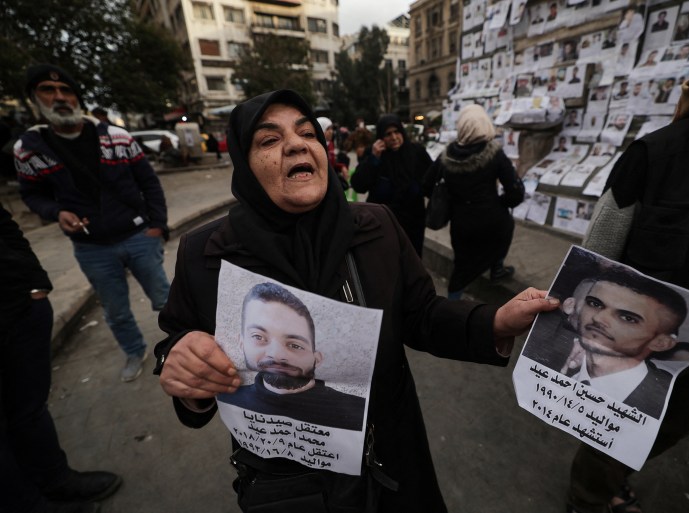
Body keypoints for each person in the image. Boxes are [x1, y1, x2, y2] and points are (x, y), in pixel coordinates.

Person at [153, 89, 560, 513]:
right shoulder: (206, 255)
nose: (296, 143)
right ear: (245, 165)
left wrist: (496, 321)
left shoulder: (377, 228)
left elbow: (421, 315)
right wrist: (186, 378)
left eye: (307, 132)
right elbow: (178, 344)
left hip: (394, 468)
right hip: (290, 488)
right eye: (269, 140)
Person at [567, 1, 689, 511]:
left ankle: (610, 479)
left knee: (648, 440)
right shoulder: (658, 154)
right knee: (607, 439)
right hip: (641, 349)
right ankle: (588, 499)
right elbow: (594, 259)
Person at [14, 64, 170, 382]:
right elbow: (32, 195)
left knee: (165, 299)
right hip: (91, 247)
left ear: (77, 98)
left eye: (66, 91)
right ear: (34, 99)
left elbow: (149, 183)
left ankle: (183, 345)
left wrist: (158, 227)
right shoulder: (28, 150)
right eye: (48, 90)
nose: (59, 97)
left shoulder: (117, 137)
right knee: (115, 310)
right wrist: (56, 212)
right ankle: (133, 351)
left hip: (139, 235)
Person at [1, 206, 122, 513]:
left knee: (29, 407)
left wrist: (35, 282)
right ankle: (26, 504)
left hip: (17, 305)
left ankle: (54, 479)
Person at [524, 267, 687, 419]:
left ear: (661, 343)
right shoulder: (550, 341)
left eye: (628, 318)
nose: (598, 318)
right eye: (595, 304)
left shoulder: (663, 405)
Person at [217, 282, 366, 431]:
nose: (276, 354)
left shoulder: (360, 412)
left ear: (317, 358)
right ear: (241, 343)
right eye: (258, 337)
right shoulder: (230, 400)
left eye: (295, 345)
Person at [422, 104, 524, 300]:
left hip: (461, 224)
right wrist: (501, 203)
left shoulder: (447, 155)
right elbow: (515, 192)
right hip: (493, 221)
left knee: (461, 270)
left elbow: (426, 185)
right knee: (505, 228)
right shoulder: (494, 154)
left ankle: (452, 307)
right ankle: (497, 269)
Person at [350, 114, 433, 256]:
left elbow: (430, 183)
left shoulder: (417, 153)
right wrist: (374, 159)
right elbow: (358, 185)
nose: (394, 137)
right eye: (388, 134)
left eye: (397, 132)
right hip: (383, 226)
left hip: (413, 226)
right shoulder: (375, 154)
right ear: (381, 137)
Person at [317, 116, 349, 190]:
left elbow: (332, 164)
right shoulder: (316, 146)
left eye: (331, 128)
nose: (331, 131)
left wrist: (342, 167)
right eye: (327, 129)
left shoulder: (330, 144)